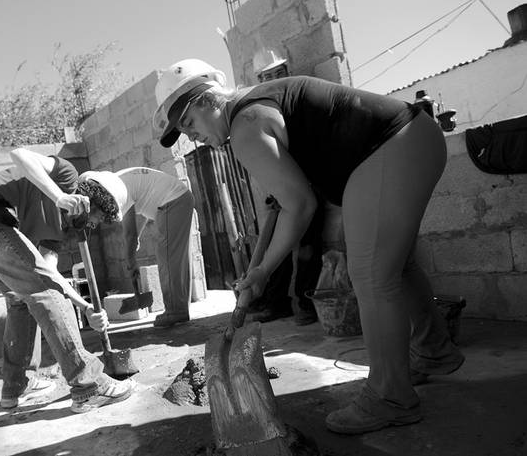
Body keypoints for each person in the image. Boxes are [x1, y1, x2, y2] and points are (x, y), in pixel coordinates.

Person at [153, 58, 465, 434]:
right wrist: (262, 269)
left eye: (189, 123)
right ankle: (433, 350)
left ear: (208, 100)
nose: (192, 137)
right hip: (413, 138)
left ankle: (390, 397)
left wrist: (263, 270)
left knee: (369, 274)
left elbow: (300, 205)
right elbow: (293, 200)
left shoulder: (246, 126)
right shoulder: (256, 107)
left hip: (393, 147)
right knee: (392, 265)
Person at [0, 148, 135, 413]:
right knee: (46, 294)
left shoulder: (56, 233)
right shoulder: (66, 175)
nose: (93, 225)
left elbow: (49, 275)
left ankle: (15, 388)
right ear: (95, 199)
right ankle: (88, 386)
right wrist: (60, 197)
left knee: (21, 298)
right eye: (98, 218)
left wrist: (86, 307)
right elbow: (19, 154)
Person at [245, 48, 324, 325]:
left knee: (308, 247)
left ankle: (306, 304)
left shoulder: (299, 99)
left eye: (280, 71)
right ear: (261, 79)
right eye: (270, 75)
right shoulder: (261, 108)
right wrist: (277, 190)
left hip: (313, 183)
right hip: (283, 188)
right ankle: (276, 302)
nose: (277, 77)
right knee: (275, 248)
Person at [78, 168, 195, 328]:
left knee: (167, 256)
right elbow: (142, 212)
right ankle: (179, 309)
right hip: (179, 199)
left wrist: (130, 259)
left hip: (173, 201)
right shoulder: (116, 183)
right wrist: (134, 247)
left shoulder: (115, 192)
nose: (97, 222)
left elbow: (129, 234)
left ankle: (176, 311)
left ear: (94, 206)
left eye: (94, 219)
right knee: (176, 258)